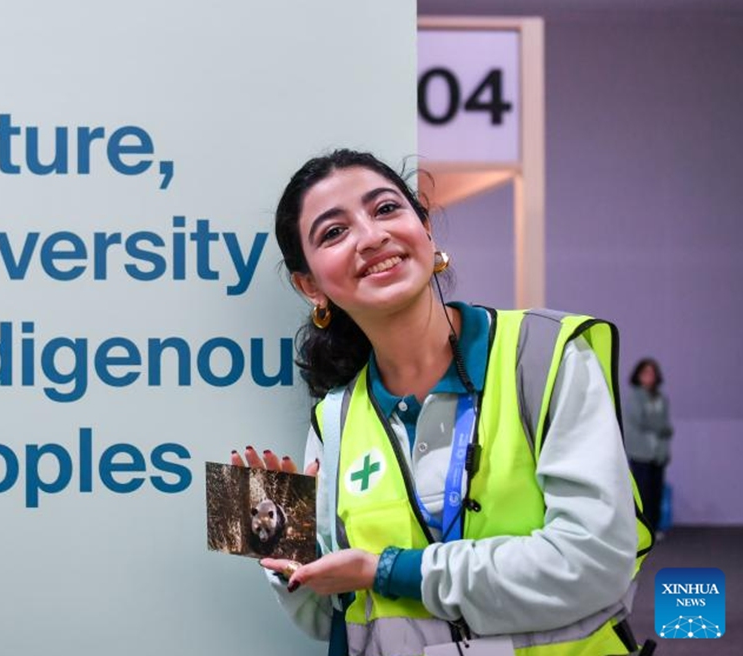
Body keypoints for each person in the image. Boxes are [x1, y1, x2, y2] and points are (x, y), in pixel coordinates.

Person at [233, 149, 652, 656]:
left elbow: (594, 563)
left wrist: (387, 571)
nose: (371, 236)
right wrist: (284, 554)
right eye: (334, 232)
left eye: (386, 209)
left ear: (426, 230)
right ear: (311, 286)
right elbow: (329, 620)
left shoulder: (544, 356)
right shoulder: (335, 418)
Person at [623, 358, 672, 535]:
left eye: (652, 372)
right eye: (645, 372)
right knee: (642, 491)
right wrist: (661, 427)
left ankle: (655, 527)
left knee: (656, 490)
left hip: (658, 452)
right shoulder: (635, 397)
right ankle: (642, 529)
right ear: (638, 375)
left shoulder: (661, 399)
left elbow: (666, 427)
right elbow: (642, 421)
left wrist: (664, 434)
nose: (649, 376)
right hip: (639, 451)